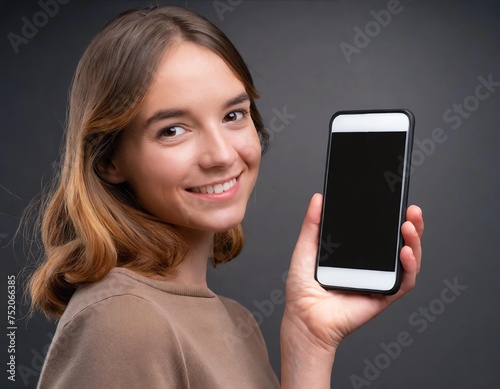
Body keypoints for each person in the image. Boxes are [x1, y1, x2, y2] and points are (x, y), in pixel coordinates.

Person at [30, 5, 424, 389]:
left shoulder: (236, 322)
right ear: (108, 160)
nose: (221, 155)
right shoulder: (122, 322)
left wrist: (310, 341)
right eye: (172, 130)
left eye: (234, 115)